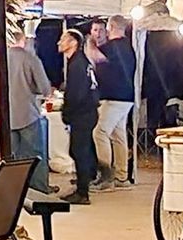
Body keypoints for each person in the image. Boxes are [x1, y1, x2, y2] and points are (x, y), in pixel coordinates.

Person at [3, 28, 57, 195]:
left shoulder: (0, 60)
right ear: (23, 40)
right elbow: (45, 88)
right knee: (35, 155)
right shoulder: (31, 59)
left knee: (11, 157)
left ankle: (13, 189)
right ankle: (39, 188)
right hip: (28, 114)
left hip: (7, 116)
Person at [89, 15, 137, 187]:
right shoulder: (128, 47)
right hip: (126, 97)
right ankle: (122, 176)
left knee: (100, 132)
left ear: (112, 27)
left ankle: (106, 176)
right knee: (119, 136)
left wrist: (90, 42)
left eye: (107, 28)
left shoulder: (113, 47)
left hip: (114, 98)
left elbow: (94, 56)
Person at [58, 26, 99, 204]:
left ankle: (83, 193)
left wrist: (67, 113)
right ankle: (86, 179)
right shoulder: (81, 62)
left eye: (64, 39)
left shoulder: (77, 65)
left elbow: (77, 93)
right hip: (87, 112)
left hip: (82, 113)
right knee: (83, 149)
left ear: (74, 43)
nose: (59, 42)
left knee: (78, 150)